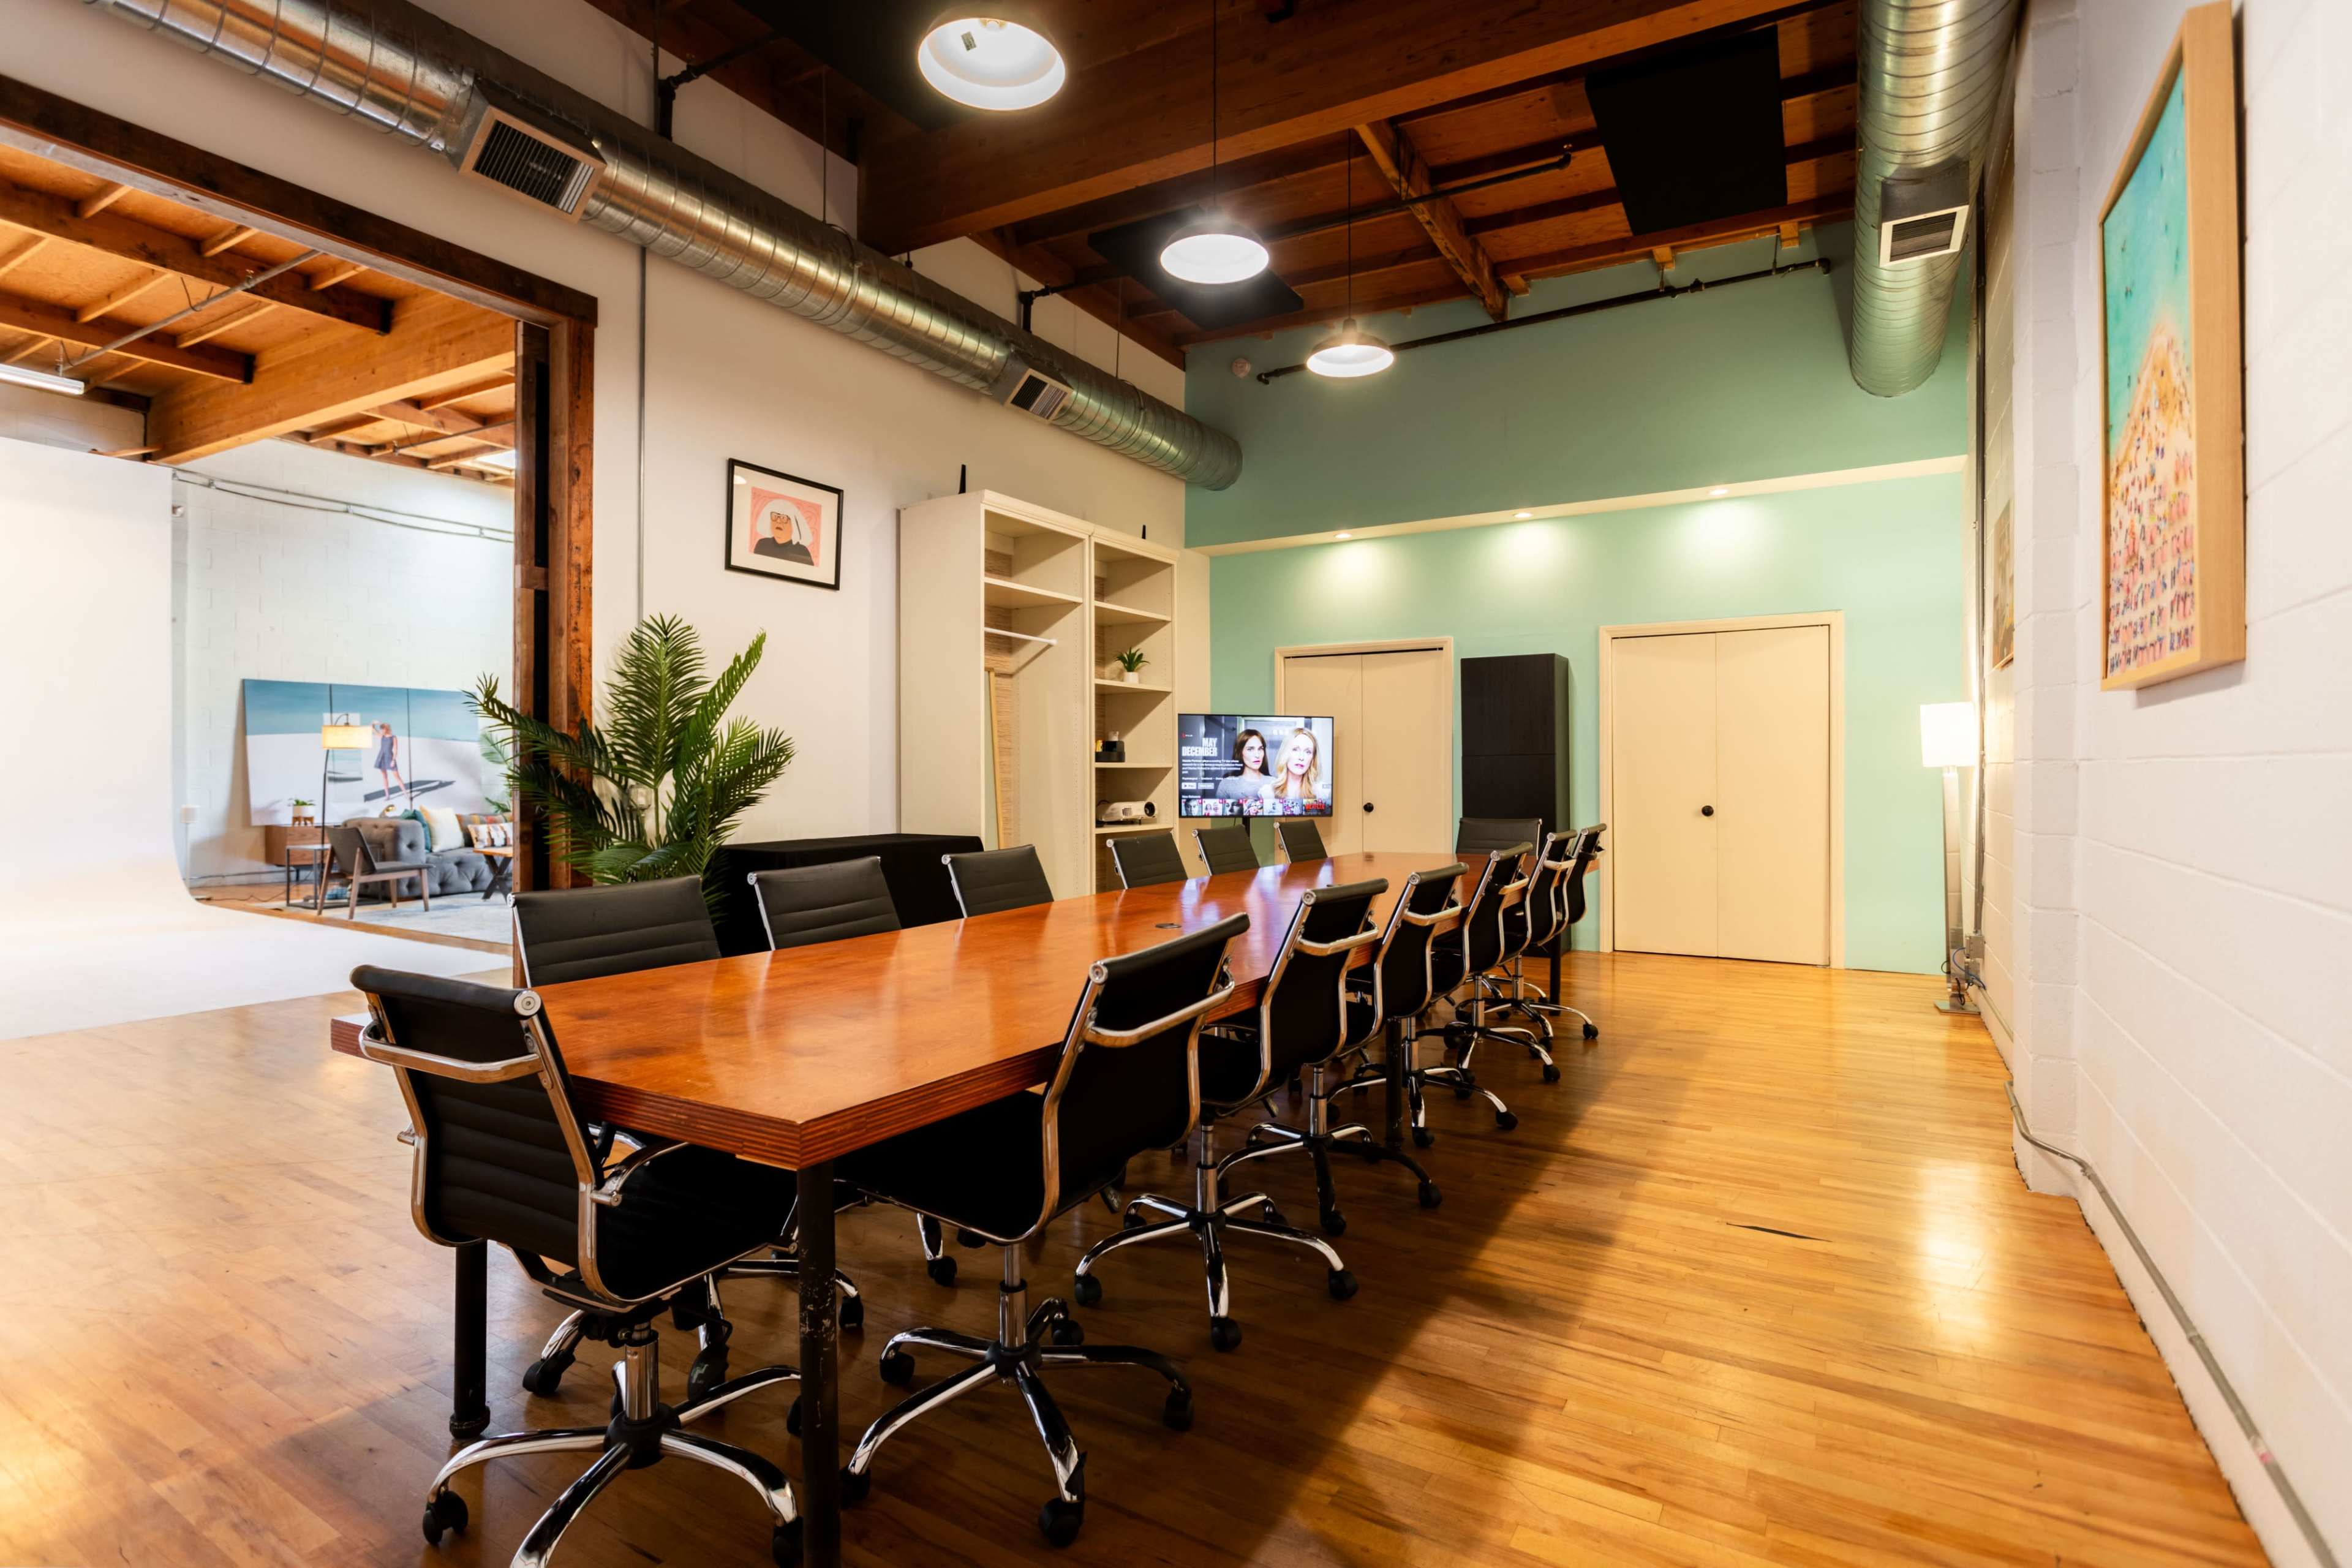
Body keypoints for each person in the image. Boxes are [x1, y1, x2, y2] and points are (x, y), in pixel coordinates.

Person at [1263, 725, 1329, 813]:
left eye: (1308, 752)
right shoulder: (1268, 792)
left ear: (1313, 759)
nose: (1301, 757)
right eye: (1295, 750)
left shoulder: (1322, 792)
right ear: (1285, 753)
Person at [1213, 727, 1276, 802]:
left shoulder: (1274, 783)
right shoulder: (1227, 784)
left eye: (1260, 749)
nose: (1257, 755)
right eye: (1250, 749)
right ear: (1240, 753)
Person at [371, 721, 409, 807]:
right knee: (384, 777)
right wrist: (373, 724)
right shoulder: (382, 736)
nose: (381, 731)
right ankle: (387, 796)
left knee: (398, 777)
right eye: (380, 730)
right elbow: (373, 730)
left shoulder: (393, 738)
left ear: (386, 729)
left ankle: (406, 794)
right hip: (382, 757)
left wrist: (393, 760)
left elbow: (395, 750)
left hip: (390, 758)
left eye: (382, 730)